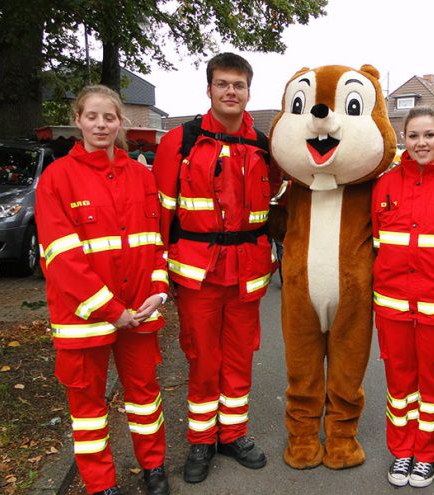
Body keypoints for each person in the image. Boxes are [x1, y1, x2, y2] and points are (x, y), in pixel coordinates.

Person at [35, 85, 170, 495]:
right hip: (84, 319)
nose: (100, 124)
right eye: (92, 116)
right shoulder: (57, 179)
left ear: (120, 122)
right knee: (88, 409)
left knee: (145, 396)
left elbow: (156, 244)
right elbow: (62, 260)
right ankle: (100, 484)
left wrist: (159, 291)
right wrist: (113, 310)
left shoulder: (142, 177)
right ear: (78, 120)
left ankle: (154, 467)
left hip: (139, 311)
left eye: (108, 117)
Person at [152, 52, 275, 484]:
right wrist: (158, 273)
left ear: (248, 92)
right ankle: (202, 440)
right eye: (222, 84)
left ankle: (234, 435)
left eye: (238, 85)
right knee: (203, 359)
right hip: (198, 273)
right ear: (208, 89)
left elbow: (274, 201)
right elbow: (160, 213)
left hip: (247, 273)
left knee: (240, 357)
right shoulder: (179, 142)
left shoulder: (263, 145)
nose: (230, 92)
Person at [372, 106, 434, 488]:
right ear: (404, 139)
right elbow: (379, 246)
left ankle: (427, 454)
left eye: (428, 135)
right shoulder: (385, 186)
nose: (421, 143)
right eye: (413, 136)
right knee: (399, 385)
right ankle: (402, 451)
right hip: (394, 307)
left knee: (433, 386)